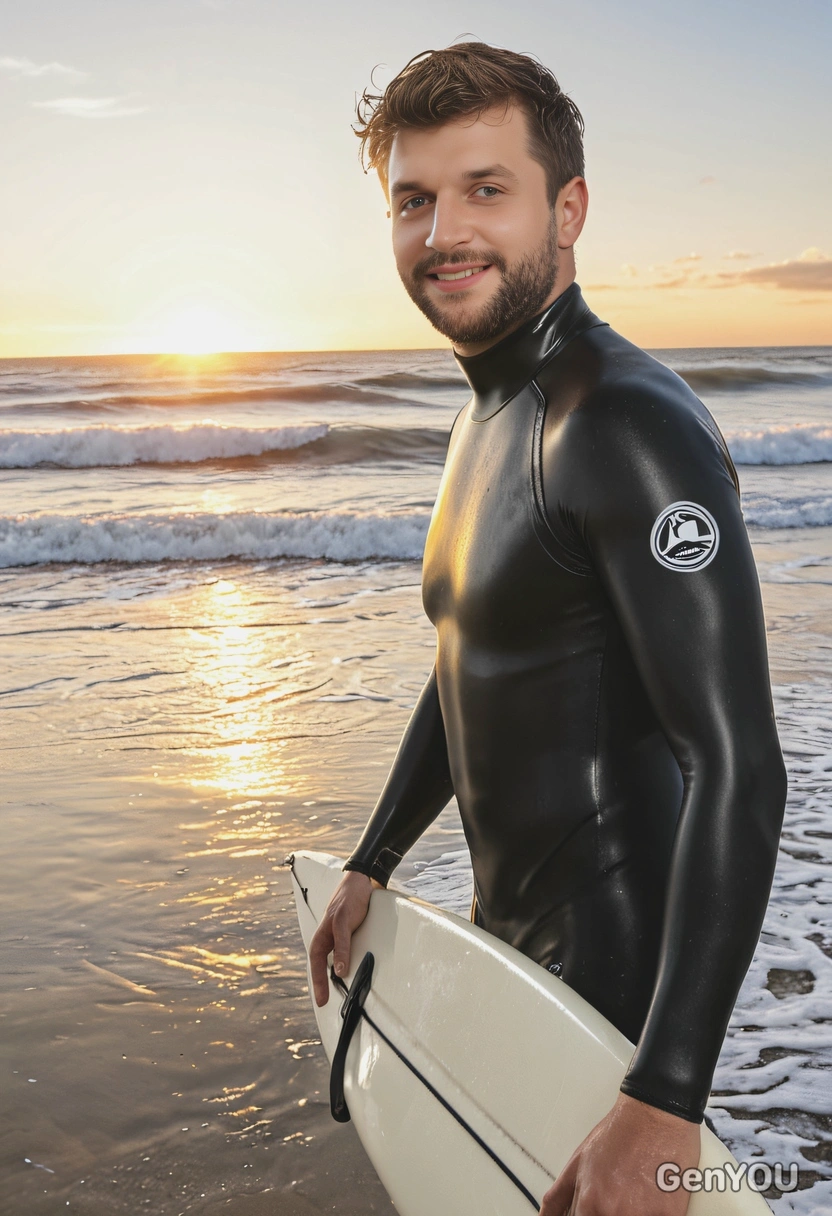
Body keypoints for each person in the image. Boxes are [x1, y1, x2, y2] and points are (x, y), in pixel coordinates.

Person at [308, 41, 786, 1216]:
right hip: (514, 963)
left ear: (565, 210)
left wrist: (665, 1096)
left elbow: (737, 762)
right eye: (412, 200)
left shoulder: (618, 424)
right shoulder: (487, 411)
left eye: (485, 189)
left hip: (613, 1020)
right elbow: (471, 655)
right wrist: (376, 856)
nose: (441, 233)